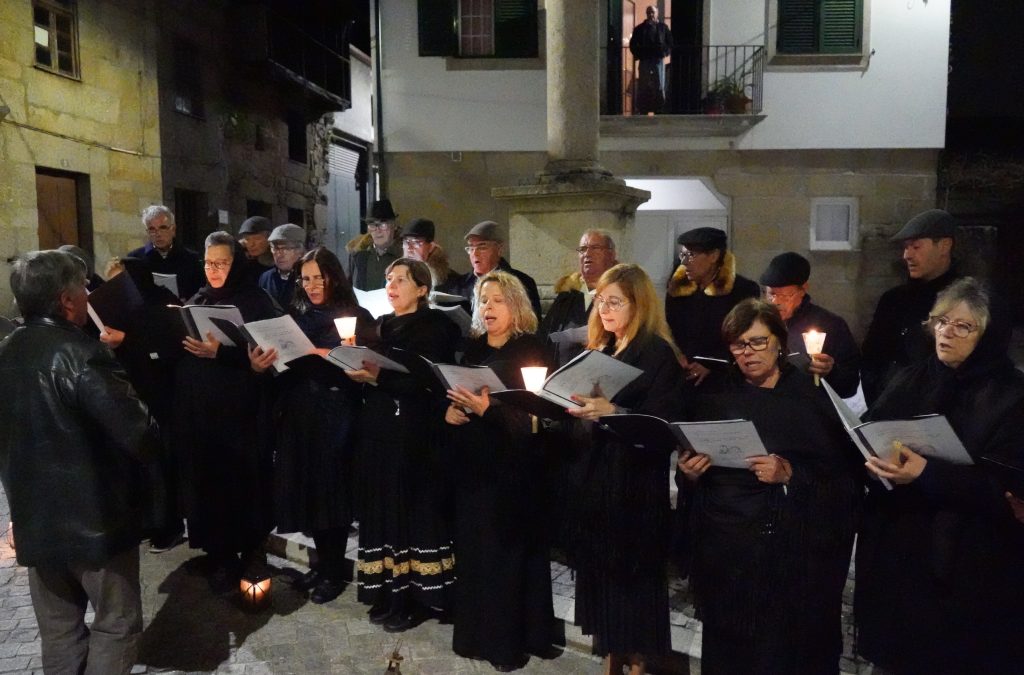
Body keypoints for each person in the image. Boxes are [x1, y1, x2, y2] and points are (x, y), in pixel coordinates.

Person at [676, 298, 861, 674]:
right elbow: (693, 466)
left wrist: (790, 473)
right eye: (738, 344)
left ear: (779, 341)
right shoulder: (714, 395)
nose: (748, 353)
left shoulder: (809, 396)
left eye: (758, 341)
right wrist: (690, 473)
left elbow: (843, 479)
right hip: (727, 554)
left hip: (788, 560)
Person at [855, 277, 1024, 674]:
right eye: (942, 321)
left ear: (989, 335)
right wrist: (871, 460)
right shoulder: (911, 377)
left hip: (965, 565)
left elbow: (1007, 490)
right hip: (897, 551)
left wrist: (928, 473)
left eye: (963, 326)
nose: (946, 332)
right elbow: (872, 430)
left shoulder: (1012, 396)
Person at [0, 249, 157, 674]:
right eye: (84, 288)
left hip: (35, 521)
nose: (89, 296)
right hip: (97, 522)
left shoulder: (5, 352)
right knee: (116, 623)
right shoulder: (82, 355)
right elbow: (139, 433)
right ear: (66, 300)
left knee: (59, 632)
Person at [562, 263, 685, 675]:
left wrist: (614, 411)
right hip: (598, 483)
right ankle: (612, 659)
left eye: (614, 302)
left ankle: (637, 665)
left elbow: (664, 427)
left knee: (632, 590)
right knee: (604, 588)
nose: (604, 309)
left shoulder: (657, 354)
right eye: (600, 301)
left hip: (634, 488)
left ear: (639, 304)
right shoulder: (602, 350)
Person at [444, 271, 555, 671]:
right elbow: (459, 396)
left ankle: (507, 643)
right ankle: (474, 636)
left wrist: (490, 410)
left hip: (512, 470)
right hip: (473, 468)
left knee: (504, 557)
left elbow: (539, 416)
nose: (488, 307)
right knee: (474, 554)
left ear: (516, 306)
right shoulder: (472, 349)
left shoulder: (533, 349)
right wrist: (452, 412)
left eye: (497, 300)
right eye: (483, 300)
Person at [250, 247, 374, 605]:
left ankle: (334, 571)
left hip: (336, 412)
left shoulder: (355, 316)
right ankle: (322, 565)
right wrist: (261, 365)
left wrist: (336, 355)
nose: (313, 285)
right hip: (298, 411)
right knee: (308, 490)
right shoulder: (294, 315)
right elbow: (279, 365)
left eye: (320, 277)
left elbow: (366, 368)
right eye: (306, 279)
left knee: (331, 492)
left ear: (334, 277)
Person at [346, 258, 460, 632]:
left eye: (401, 280)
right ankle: (387, 591)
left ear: (422, 289)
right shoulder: (380, 327)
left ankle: (416, 598)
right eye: (388, 279)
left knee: (410, 514)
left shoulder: (436, 328)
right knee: (382, 511)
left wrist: (379, 378)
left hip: (416, 434)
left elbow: (431, 382)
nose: (391, 286)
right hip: (379, 430)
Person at [172, 231, 280, 593]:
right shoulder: (198, 299)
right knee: (210, 485)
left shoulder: (256, 301)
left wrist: (223, 354)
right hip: (203, 416)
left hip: (243, 416)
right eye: (208, 263)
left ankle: (251, 554)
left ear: (236, 264)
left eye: (222, 262)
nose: (214, 269)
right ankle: (219, 555)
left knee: (244, 487)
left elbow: (270, 356)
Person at [861, 209, 959, 404]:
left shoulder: (966, 302)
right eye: (906, 248)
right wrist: (880, 400)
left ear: (944, 246)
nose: (907, 255)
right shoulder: (894, 300)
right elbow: (871, 358)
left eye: (916, 247)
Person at [665, 227, 760, 386]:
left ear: (714, 256)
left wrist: (712, 365)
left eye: (691, 255)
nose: (684, 262)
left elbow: (745, 338)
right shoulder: (677, 290)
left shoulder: (743, 290)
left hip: (725, 380)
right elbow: (670, 330)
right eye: (683, 255)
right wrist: (677, 355)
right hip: (684, 377)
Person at [760, 251, 861, 397]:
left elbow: (849, 386)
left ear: (803, 290)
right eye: (771, 294)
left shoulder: (831, 325)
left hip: (809, 405)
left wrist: (830, 372)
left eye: (785, 295)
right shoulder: (758, 322)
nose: (776, 302)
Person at [538, 229, 619, 362]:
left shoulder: (620, 294)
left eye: (595, 248)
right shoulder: (567, 295)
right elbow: (544, 337)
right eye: (583, 249)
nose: (587, 254)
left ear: (611, 255)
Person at [453, 220, 542, 320]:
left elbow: (532, 324)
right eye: (471, 248)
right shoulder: (459, 285)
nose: (475, 254)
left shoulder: (522, 283)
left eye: (482, 247)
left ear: (499, 249)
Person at [127, 204, 205, 301]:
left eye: (163, 227)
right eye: (152, 229)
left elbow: (201, 292)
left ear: (173, 229)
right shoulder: (135, 259)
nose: (158, 234)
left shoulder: (191, 259)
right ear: (147, 232)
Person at [346, 199, 403, 291]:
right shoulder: (358, 255)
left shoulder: (404, 256)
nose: (377, 230)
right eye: (372, 225)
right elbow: (346, 290)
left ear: (394, 225)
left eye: (383, 224)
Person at [629, 5, 673, 114]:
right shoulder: (639, 29)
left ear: (657, 13)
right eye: (649, 12)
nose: (650, 14)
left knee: (659, 85)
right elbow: (633, 44)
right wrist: (639, 55)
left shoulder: (663, 27)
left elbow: (670, 42)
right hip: (645, 60)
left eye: (652, 12)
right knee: (643, 85)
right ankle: (644, 109)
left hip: (658, 59)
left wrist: (665, 53)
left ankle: (659, 109)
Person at [399, 217, 462, 293]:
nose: (409, 248)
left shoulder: (450, 281)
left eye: (416, 242)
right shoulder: (394, 275)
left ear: (431, 247)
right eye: (406, 242)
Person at [259, 223, 306, 307]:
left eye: (286, 248)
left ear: (300, 251)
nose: (279, 254)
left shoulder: (308, 278)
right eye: (275, 248)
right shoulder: (266, 278)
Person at [236, 216, 275, 285]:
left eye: (257, 238)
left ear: (269, 238)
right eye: (247, 239)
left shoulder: (280, 263)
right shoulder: (243, 261)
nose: (251, 244)